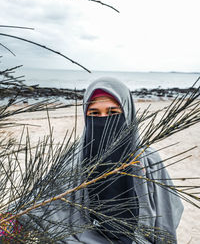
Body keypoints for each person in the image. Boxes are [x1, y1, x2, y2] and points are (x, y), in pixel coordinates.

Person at [1, 77, 184, 244]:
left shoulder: (148, 160)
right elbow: (40, 200)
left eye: (112, 112)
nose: (103, 120)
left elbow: (168, 215)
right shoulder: (73, 159)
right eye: (94, 114)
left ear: (127, 113)